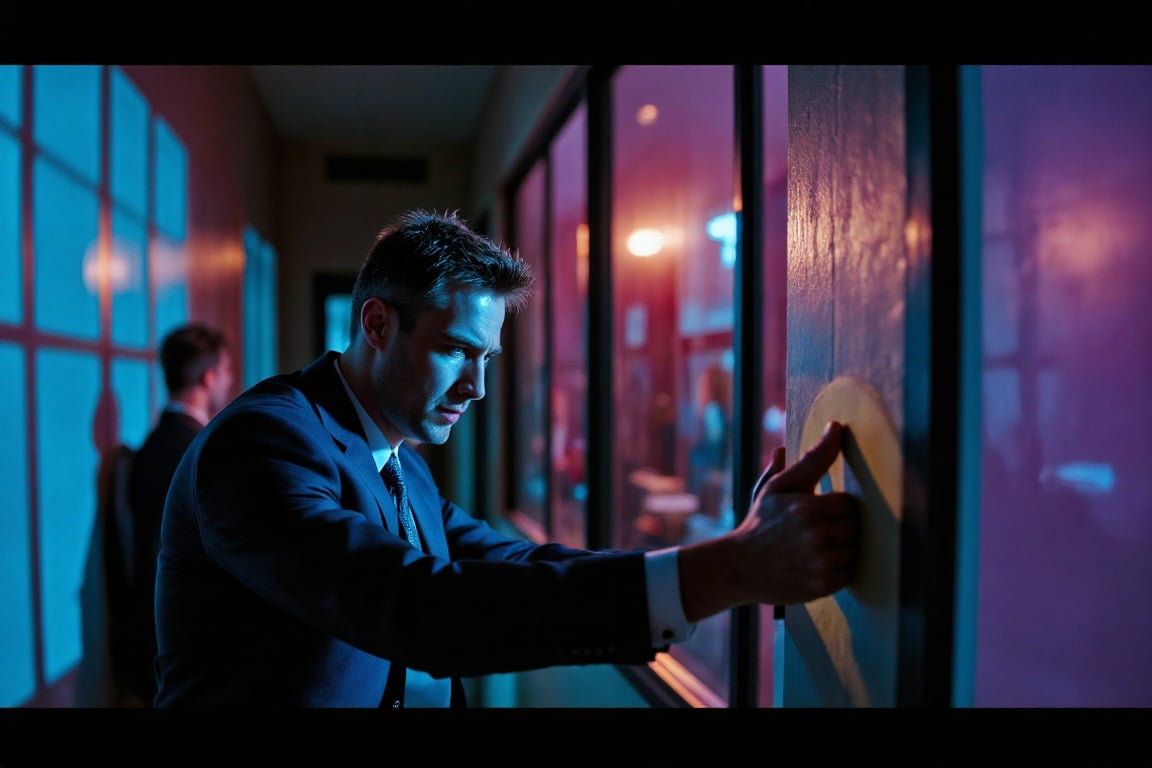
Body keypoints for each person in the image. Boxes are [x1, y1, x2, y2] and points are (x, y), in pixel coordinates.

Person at [153, 209, 860, 708]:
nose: (479, 386)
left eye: (487, 358)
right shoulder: (259, 445)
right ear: (376, 323)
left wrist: (727, 558)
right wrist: (733, 568)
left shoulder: (400, 461)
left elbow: (517, 561)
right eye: (459, 350)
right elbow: (421, 609)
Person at [121, 323, 234, 706]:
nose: (230, 381)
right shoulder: (200, 451)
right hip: (182, 636)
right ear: (209, 376)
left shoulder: (151, 445)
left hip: (146, 625)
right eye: (226, 371)